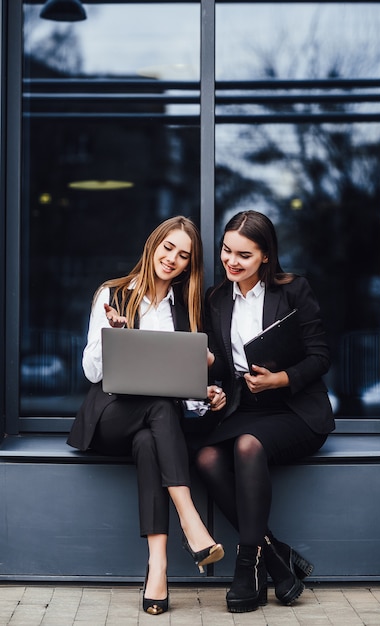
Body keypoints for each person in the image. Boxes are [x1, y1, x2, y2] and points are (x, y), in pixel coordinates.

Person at [67, 216, 226, 616]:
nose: (172, 259)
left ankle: (158, 567)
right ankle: (191, 523)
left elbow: (182, 394)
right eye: (168, 247)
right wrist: (112, 337)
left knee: (152, 433)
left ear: (189, 265)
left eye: (183, 255)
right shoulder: (113, 293)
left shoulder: (187, 310)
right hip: (108, 417)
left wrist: (206, 389)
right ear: (153, 244)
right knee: (158, 409)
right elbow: (91, 372)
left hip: (155, 427)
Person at [194, 210, 335, 613]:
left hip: (296, 410)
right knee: (205, 457)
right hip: (247, 408)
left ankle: (247, 567)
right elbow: (222, 368)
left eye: (244, 255)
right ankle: (275, 558)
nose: (231, 262)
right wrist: (214, 388)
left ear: (266, 256)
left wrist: (282, 379)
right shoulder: (216, 299)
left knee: (247, 447)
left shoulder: (294, 291)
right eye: (226, 251)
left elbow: (320, 357)